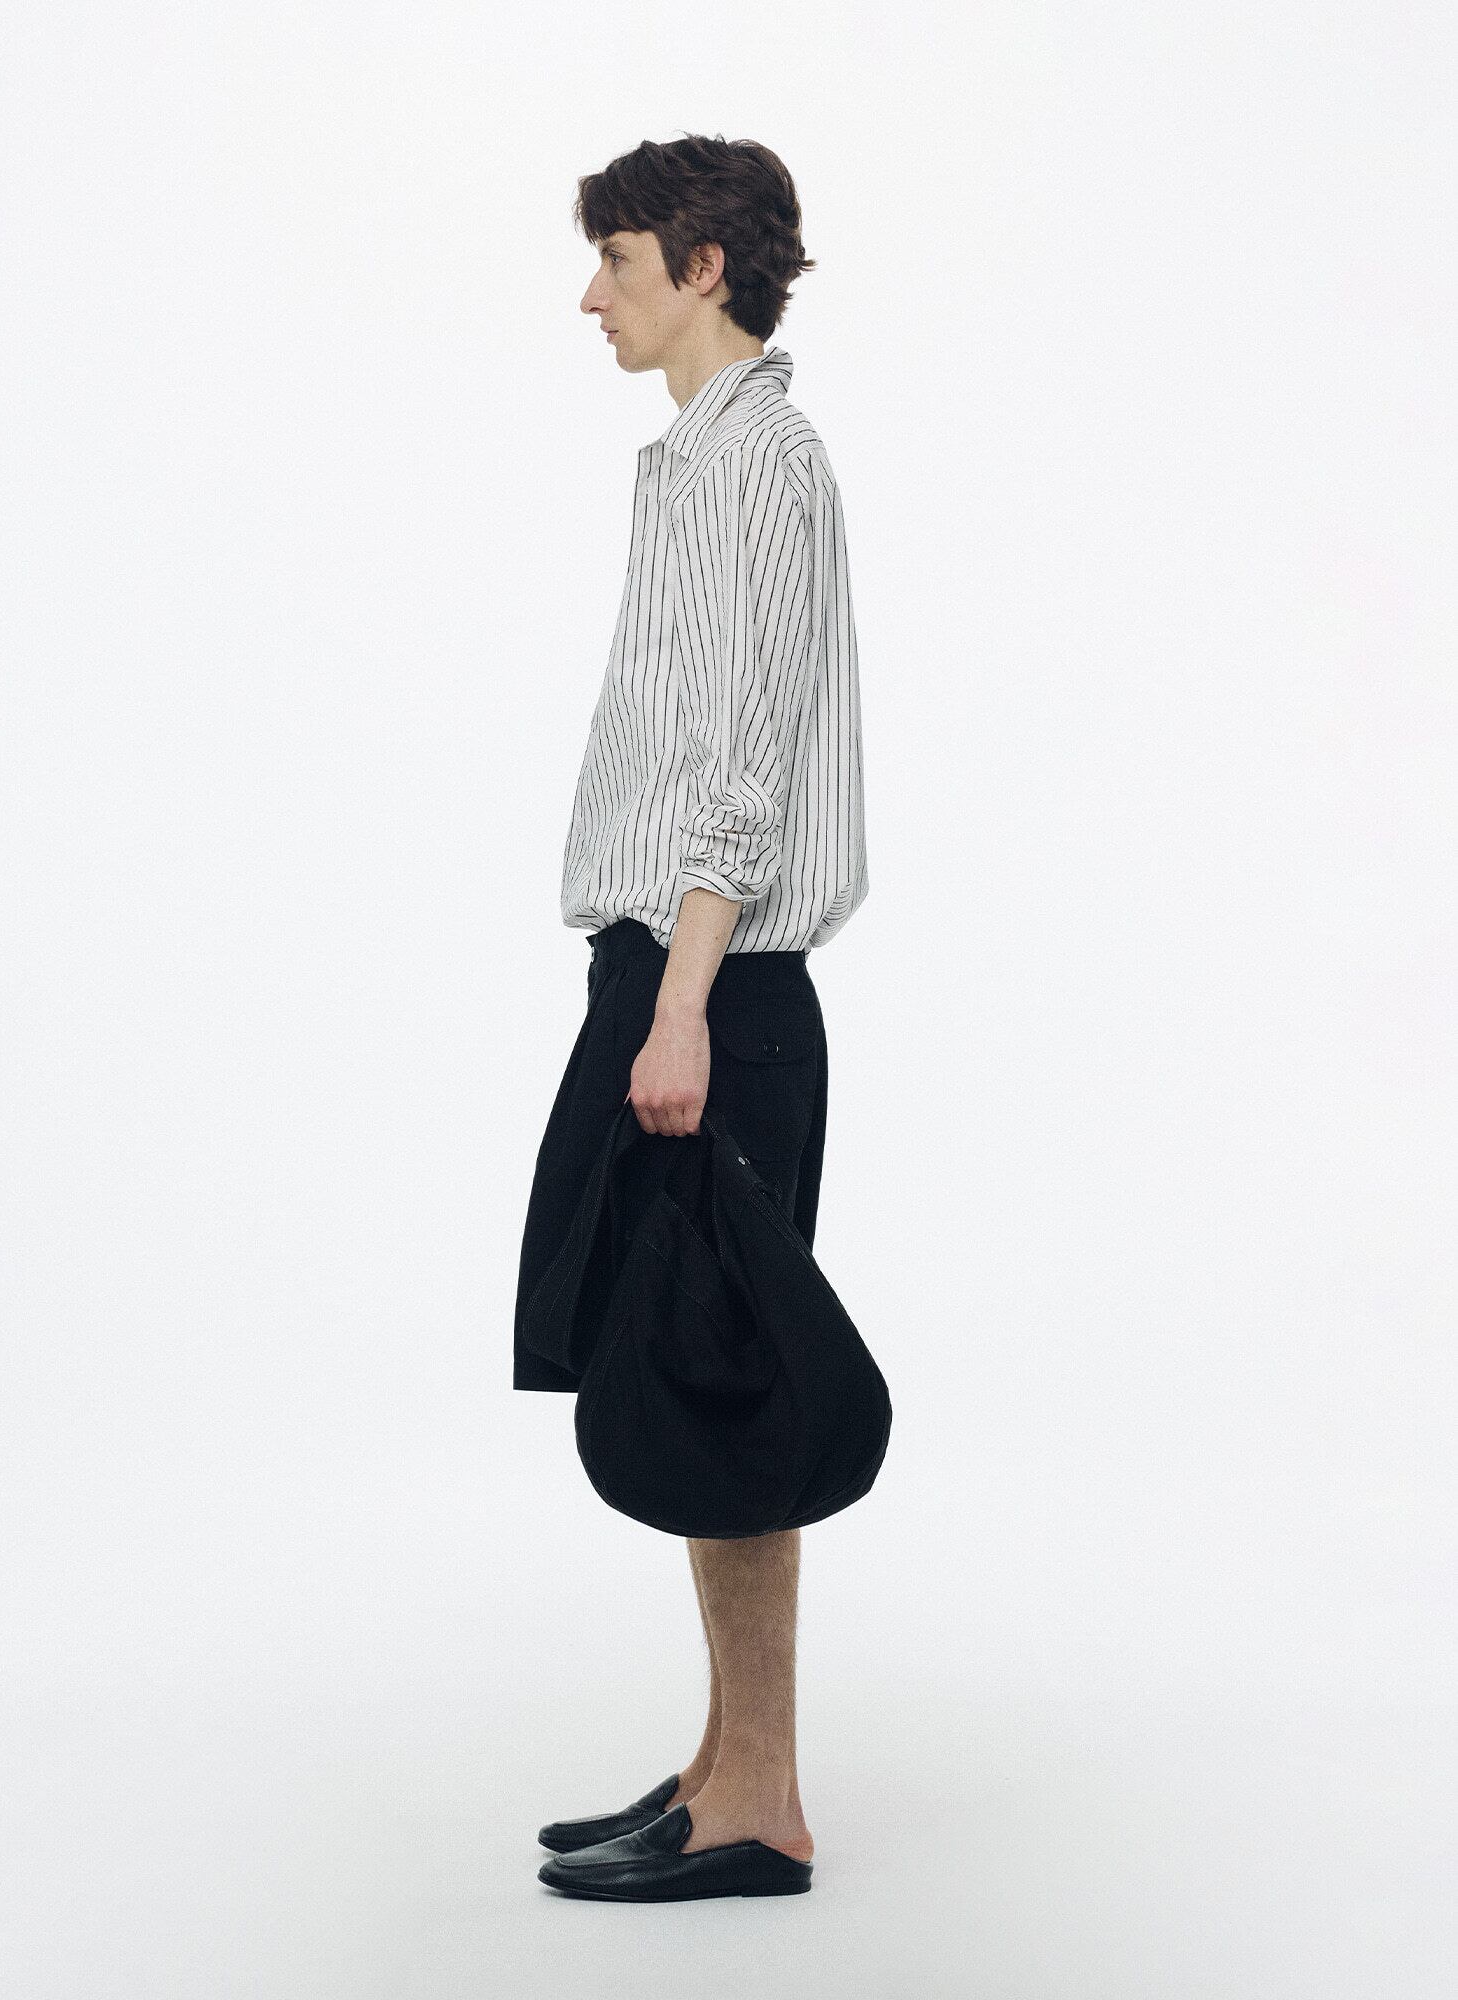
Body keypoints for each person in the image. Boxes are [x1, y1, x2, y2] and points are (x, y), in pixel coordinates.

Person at [514, 133, 869, 1902]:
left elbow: (742, 770)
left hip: (710, 988)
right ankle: (726, 1763)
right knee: (681, 1362)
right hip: (674, 977)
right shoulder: (699, 463)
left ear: (703, 267)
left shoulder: (759, 468)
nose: (593, 296)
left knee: (729, 1387)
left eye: (619, 260)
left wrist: (680, 1009)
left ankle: (761, 1806)